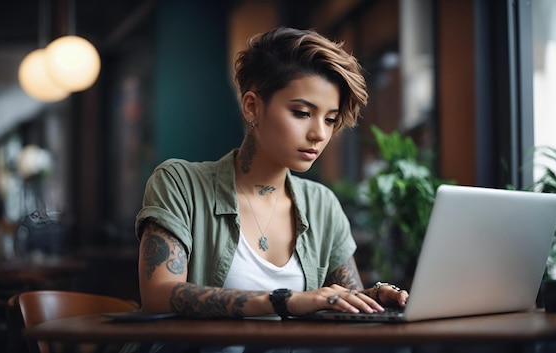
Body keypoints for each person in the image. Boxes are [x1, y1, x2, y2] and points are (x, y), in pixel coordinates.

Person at [131, 27, 409, 352]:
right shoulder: (180, 183)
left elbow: (347, 302)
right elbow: (159, 295)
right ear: (252, 106)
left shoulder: (322, 204)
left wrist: (373, 298)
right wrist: (282, 301)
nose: (319, 133)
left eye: (330, 119)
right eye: (302, 113)